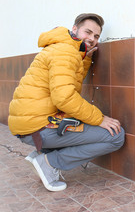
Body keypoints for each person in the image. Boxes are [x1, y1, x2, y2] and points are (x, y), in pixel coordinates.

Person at [8, 13, 125, 192]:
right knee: (115, 136)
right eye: (88, 32)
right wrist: (99, 119)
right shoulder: (66, 52)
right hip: (38, 127)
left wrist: (84, 59)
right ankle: (49, 163)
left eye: (96, 36)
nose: (92, 39)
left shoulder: (63, 47)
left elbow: (67, 81)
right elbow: (64, 97)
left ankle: (43, 154)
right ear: (75, 29)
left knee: (82, 120)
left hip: (30, 124)